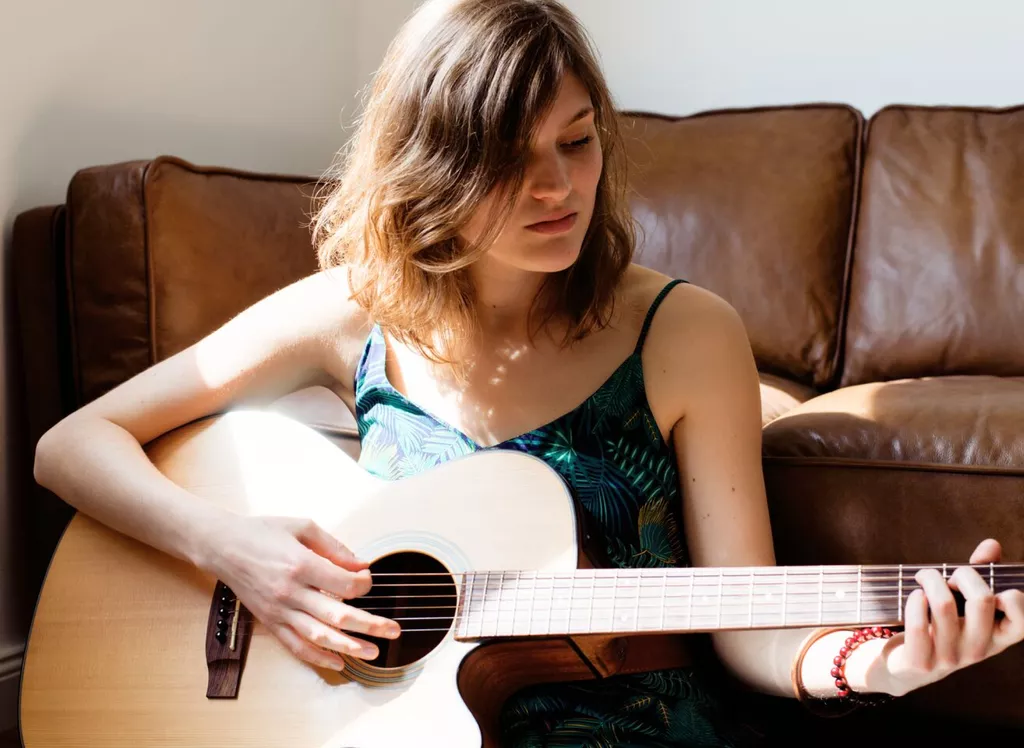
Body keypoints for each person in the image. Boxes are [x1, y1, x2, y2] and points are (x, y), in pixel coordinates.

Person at [33, 0, 1023, 745]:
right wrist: (234, 549)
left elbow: (747, 621)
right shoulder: (353, 311)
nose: (559, 188)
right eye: (512, 159)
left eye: (578, 140)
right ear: (432, 165)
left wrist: (877, 660)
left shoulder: (685, 331)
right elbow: (71, 444)